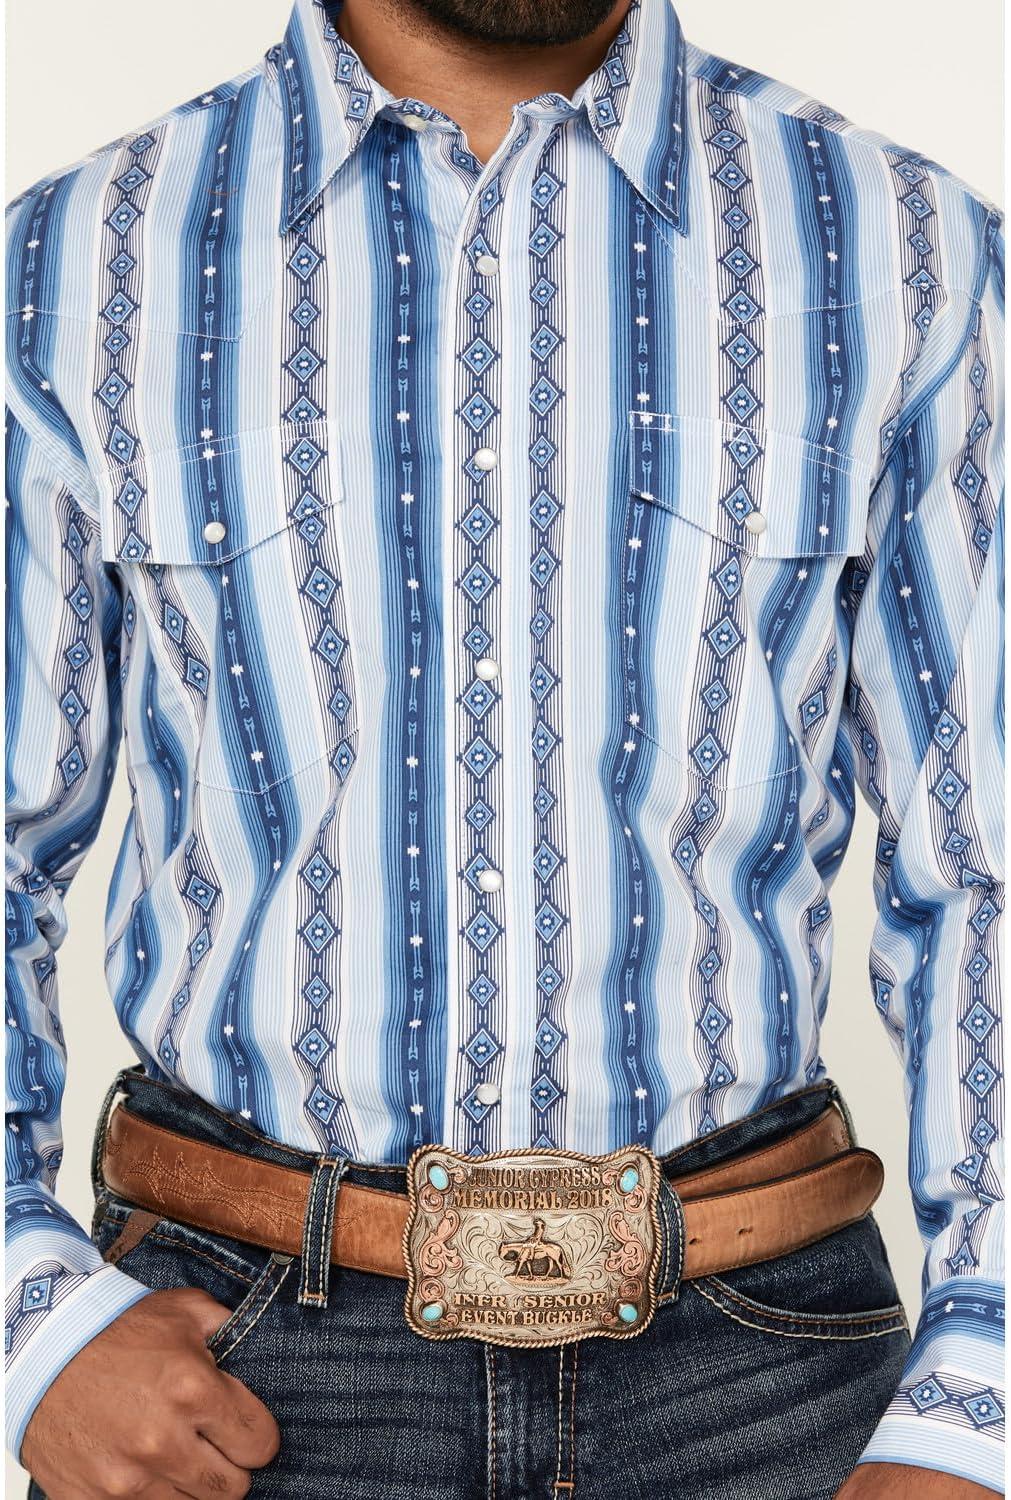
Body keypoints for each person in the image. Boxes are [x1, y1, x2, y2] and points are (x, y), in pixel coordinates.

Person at [5, 0, 1003, 1495]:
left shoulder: (902, 246)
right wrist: (31, 1322)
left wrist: (980, 1398)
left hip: (768, 1384)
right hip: (235, 1367)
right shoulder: (75, 262)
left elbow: (986, 860)